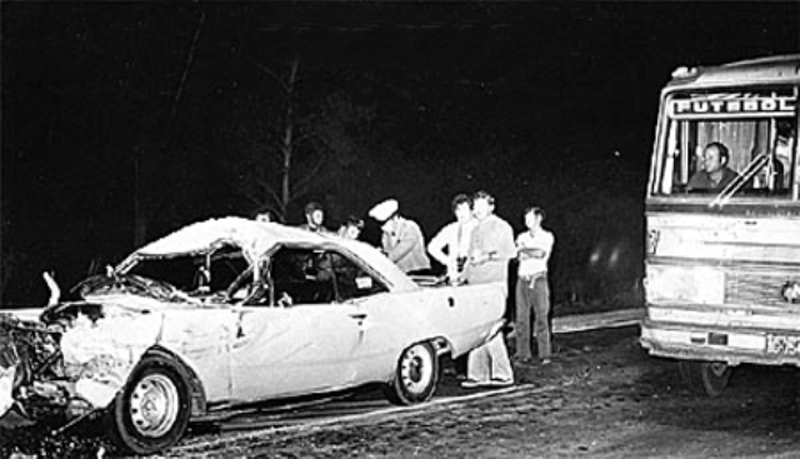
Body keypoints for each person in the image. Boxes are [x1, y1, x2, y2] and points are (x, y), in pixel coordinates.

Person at [461, 190, 516, 388]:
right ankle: (477, 374)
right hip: (476, 286)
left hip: (493, 285)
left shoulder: (501, 226)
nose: (478, 209)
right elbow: (470, 259)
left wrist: (487, 256)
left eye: (482, 205)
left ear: (491, 207)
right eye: (475, 206)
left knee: (490, 329)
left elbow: (510, 252)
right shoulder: (475, 230)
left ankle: (503, 373)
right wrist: (461, 278)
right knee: (477, 329)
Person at [515, 206, 555, 365]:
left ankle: (545, 354)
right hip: (522, 280)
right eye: (525, 219)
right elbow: (517, 255)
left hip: (539, 280)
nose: (527, 222)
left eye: (530, 218)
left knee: (541, 318)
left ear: (539, 219)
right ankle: (523, 354)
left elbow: (541, 253)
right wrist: (526, 252)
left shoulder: (547, 236)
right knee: (521, 319)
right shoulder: (521, 236)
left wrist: (525, 251)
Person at [368, 198, 431, 274]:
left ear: (394, 218)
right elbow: (387, 253)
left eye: (384, 223)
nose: (382, 228)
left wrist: (379, 257)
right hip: (401, 275)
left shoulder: (410, 228)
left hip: (419, 273)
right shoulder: (386, 234)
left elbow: (396, 253)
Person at [427, 193, 476, 285]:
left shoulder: (479, 227)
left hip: (474, 277)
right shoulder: (451, 229)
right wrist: (448, 261)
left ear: (472, 211)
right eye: (458, 210)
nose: (461, 213)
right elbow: (432, 247)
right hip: (455, 277)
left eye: (464, 209)